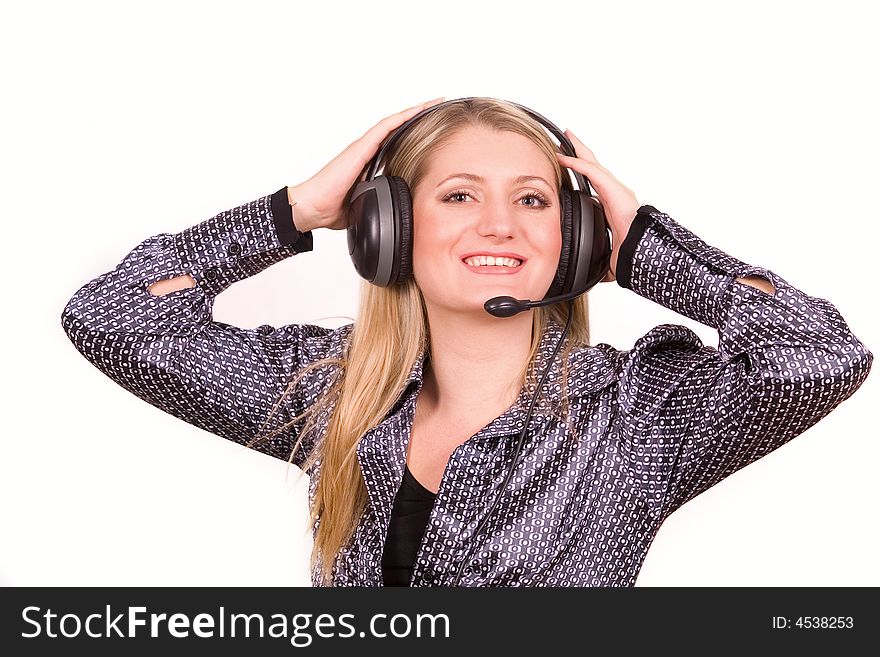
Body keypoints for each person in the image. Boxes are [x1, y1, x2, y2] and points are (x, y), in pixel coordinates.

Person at [61, 96, 873, 587]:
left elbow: (819, 356)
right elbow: (115, 319)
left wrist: (650, 249)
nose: (499, 225)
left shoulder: (641, 420)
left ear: (577, 239)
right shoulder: (331, 392)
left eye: (532, 199)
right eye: (458, 195)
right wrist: (300, 208)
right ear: (390, 230)